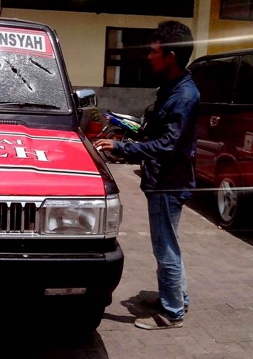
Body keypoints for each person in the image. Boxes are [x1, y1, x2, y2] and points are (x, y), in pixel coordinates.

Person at [94, 20, 200, 330]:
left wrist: (122, 147)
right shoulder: (171, 89)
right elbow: (155, 132)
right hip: (162, 181)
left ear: (170, 56)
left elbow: (168, 144)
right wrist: (125, 143)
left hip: (169, 183)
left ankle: (172, 313)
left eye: (153, 52)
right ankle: (176, 296)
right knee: (169, 243)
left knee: (164, 247)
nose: (149, 57)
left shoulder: (184, 96)